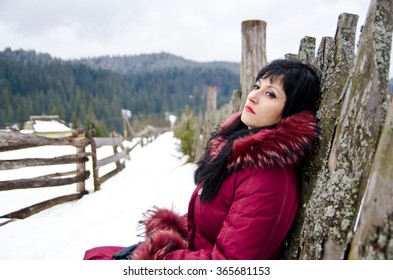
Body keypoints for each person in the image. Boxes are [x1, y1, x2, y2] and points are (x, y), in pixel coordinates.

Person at [83, 59, 321, 260]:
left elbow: (230, 264)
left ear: (290, 113)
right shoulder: (238, 154)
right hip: (195, 253)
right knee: (95, 255)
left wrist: (157, 257)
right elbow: (211, 223)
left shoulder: (268, 175)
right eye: (257, 86)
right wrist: (166, 235)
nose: (254, 96)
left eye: (270, 93)